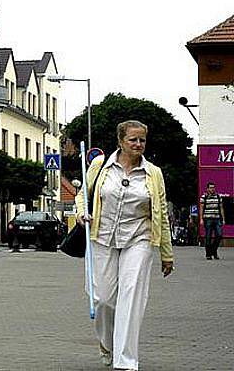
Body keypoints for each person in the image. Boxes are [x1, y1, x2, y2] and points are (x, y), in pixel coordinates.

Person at [76, 120, 173, 370]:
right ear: (120, 141)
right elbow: (82, 196)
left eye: (142, 140)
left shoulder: (154, 173)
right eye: (133, 140)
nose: (138, 144)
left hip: (138, 238)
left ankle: (126, 361)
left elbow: (161, 213)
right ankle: (107, 344)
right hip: (102, 236)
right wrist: (80, 214)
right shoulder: (100, 166)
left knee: (131, 297)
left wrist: (166, 254)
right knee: (103, 299)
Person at [200, 181, 226, 260]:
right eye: (211, 188)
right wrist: (201, 219)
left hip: (217, 218)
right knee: (208, 237)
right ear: (207, 189)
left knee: (219, 235)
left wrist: (223, 219)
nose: (212, 189)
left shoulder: (218, 197)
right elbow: (201, 208)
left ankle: (214, 250)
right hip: (208, 218)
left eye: (213, 187)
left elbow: (221, 208)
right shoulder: (204, 197)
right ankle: (208, 254)